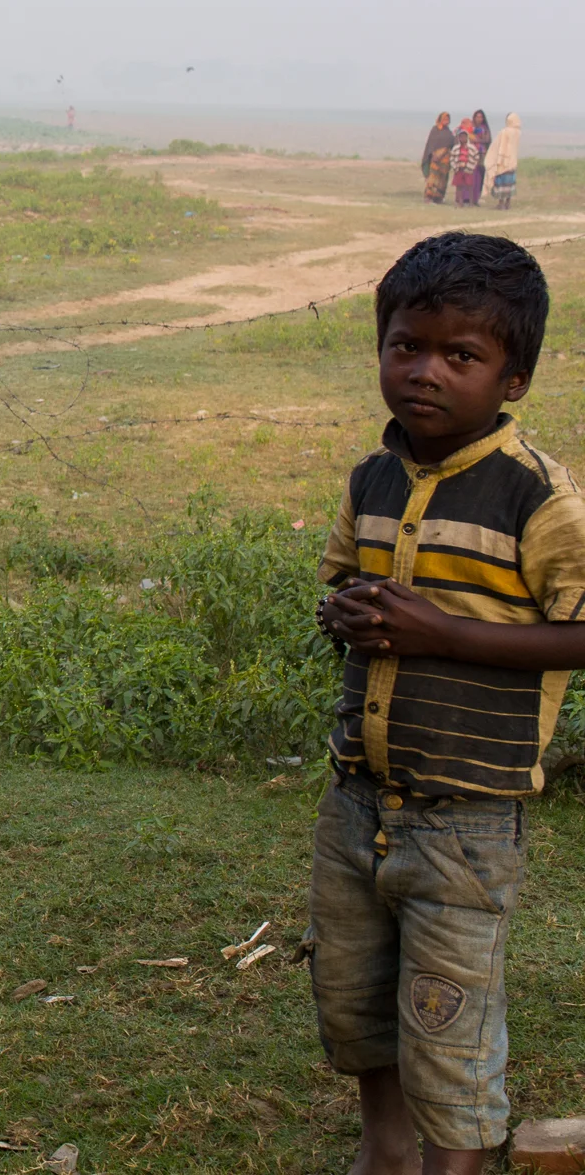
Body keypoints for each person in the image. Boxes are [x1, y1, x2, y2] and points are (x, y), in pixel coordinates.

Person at [312, 232, 585, 1175]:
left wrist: (448, 636)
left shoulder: (538, 499)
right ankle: (383, 1159)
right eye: (405, 345)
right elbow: (339, 587)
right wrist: (343, 612)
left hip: (467, 822)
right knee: (357, 1004)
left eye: (461, 356)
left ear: (513, 378)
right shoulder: (371, 479)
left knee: (448, 1023)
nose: (425, 372)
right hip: (357, 804)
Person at [486, 113, 521, 210]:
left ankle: (500, 203)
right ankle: (508, 203)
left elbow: (499, 145)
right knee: (510, 183)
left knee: (501, 182)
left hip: (503, 160)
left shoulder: (505, 132)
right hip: (512, 161)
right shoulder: (518, 132)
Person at [449, 123, 484, 207]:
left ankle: (471, 202)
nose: (462, 138)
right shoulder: (456, 148)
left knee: (469, 186)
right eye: (461, 137)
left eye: (464, 137)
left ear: (467, 137)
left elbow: (476, 157)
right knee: (459, 186)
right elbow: (452, 158)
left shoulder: (471, 148)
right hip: (459, 169)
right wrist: (455, 166)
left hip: (468, 169)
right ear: (458, 138)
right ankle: (459, 201)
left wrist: (472, 166)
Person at [421, 114, 453, 204]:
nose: (446, 120)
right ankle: (428, 196)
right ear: (440, 119)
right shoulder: (435, 130)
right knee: (433, 178)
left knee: (443, 179)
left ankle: (438, 198)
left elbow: (451, 144)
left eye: (447, 119)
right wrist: (434, 154)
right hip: (435, 158)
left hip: (445, 160)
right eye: (444, 118)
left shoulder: (449, 132)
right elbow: (431, 143)